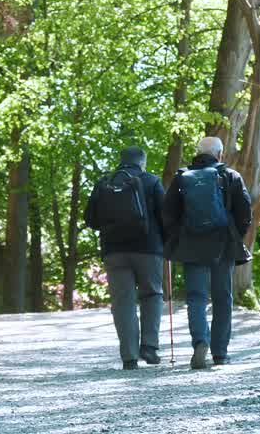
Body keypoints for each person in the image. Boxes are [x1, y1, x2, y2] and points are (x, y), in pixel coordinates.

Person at [162, 136, 251, 369]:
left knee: (196, 298)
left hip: (191, 246)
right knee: (223, 299)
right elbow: (245, 213)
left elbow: (168, 214)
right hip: (222, 244)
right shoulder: (230, 176)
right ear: (220, 154)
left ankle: (200, 342)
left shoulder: (182, 178)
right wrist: (234, 235)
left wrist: (178, 237)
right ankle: (220, 352)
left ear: (197, 153)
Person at [84, 146, 167, 370]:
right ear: (142, 162)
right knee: (151, 295)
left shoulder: (105, 183)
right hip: (148, 249)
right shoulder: (151, 181)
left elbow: (90, 219)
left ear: (121, 161)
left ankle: (129, 356)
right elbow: (166, 215)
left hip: (114, 251)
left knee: (123, 303)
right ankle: (149, 347)